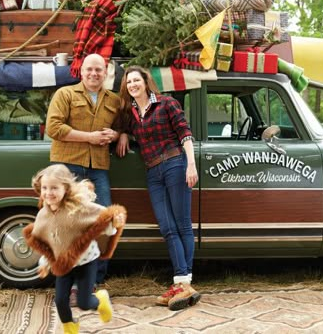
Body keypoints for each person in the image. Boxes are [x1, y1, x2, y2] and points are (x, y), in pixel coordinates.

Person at [115, 65, 200, 311]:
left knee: (182, 223)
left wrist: (190, 165)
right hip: (152, 171)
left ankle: (182, 282)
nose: (132, 85)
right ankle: (183, 286)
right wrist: (122, 134)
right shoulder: (131, 113)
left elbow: (185, 134)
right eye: (129, 82)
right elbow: (122, 127)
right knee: (167, 227)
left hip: (175, 163)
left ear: (145, 82)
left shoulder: (166, 103)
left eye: (136, 81)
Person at [46, 53, 121, 288]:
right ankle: (69, 281)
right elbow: (53, 127)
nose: (93, 74)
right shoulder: (65, 94)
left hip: (98, 168)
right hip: (68, 169)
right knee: (68, 226)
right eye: (89, 69)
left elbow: (124, 125)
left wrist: (118, 134)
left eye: (98, 70)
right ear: (81, 70)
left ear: (106, 71)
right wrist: (89, 137)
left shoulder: (114, 100)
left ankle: (94, 281)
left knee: (104, 224)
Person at [23, 164, 127, 334]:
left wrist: (114, 223)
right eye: (45, 188)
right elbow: (48, 243)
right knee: (60, 301)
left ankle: (100, 300)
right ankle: (70, 327)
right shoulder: (43, 215)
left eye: (54, 188)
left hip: (87, 261)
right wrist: (45, 263)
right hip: (64, 264)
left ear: (66, 188)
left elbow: (103, 218)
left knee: (84, 303)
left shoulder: (78, 208)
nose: (48, 193)